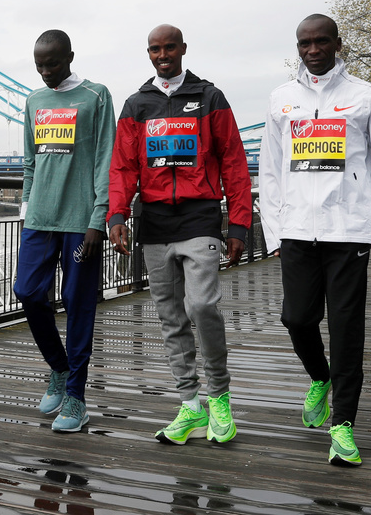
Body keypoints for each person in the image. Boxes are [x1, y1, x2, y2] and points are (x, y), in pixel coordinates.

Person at [257, 13, 371, 467]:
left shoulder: (365, 96)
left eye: (322, 41)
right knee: (296, 318)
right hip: (297, 231)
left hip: (349, 231)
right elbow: (270, 170)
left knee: (346, 330)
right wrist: (274, 232)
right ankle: (320, 377)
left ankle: (343, 424)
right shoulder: (282, 99)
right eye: (305, 43)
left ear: (338, 44)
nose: (313, 50)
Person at [109, 24, 251, 446]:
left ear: (183, 49)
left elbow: (233, 161)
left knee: (203, 306)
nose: (163, 55)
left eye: (169, 47)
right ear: (149, 54)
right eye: (155, 49)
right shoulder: (136, 105)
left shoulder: (209, 98)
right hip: (154, 223)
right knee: (171, 318)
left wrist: (239, 223)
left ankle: (219, 395)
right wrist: (117, 214)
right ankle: (190, 404)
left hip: (199, 218)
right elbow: (123, 166)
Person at [14, 30, 116, 432]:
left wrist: (98, 219)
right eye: (38, 65)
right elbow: (30, 160)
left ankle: (76, 397)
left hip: (79, 221)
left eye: (52, 63)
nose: (45, 72)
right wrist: (26, 208)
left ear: (70, 57)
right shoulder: (34, 101)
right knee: (26, 291)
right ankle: (59, 366)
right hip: (39, 218)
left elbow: (106, 158)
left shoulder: (96, 96)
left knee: (78, 304)